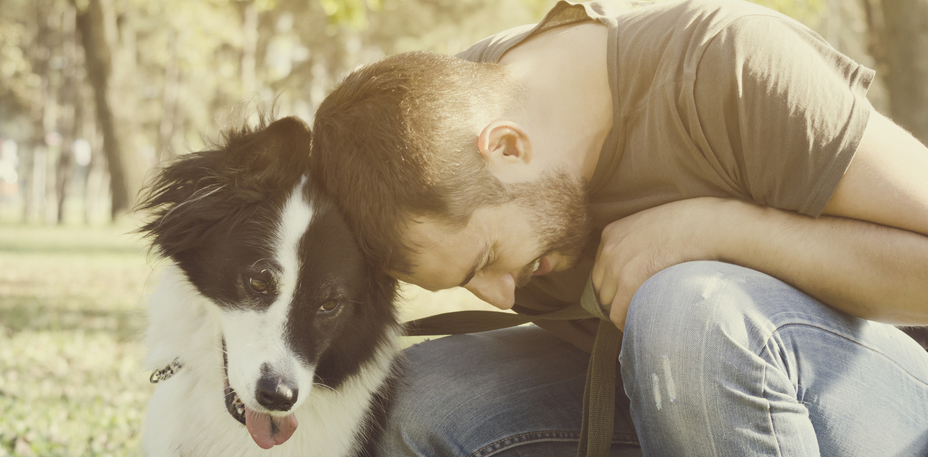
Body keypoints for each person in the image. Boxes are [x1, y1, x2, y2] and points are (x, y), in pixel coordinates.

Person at [310, 0, 928, 455]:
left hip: (868, 398)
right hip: (658, 403)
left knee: (687, 312)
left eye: (487, 261)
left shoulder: (728, 65)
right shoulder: (425, 129)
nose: (504, 296)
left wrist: (720, 230)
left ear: (507, 147)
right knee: (410, 402)